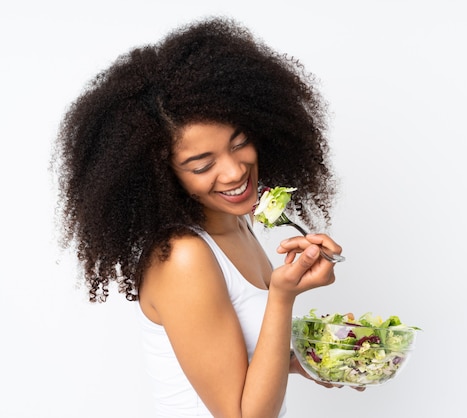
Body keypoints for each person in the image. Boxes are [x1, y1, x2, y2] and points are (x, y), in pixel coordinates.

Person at [54, 17, 360, 418]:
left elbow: (237, 362)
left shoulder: (236, 222)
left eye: (240, 143)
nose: (234, 172)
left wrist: (303, 361)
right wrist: (283, 296)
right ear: (163, 175)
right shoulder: (183, 257)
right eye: (202, 165)